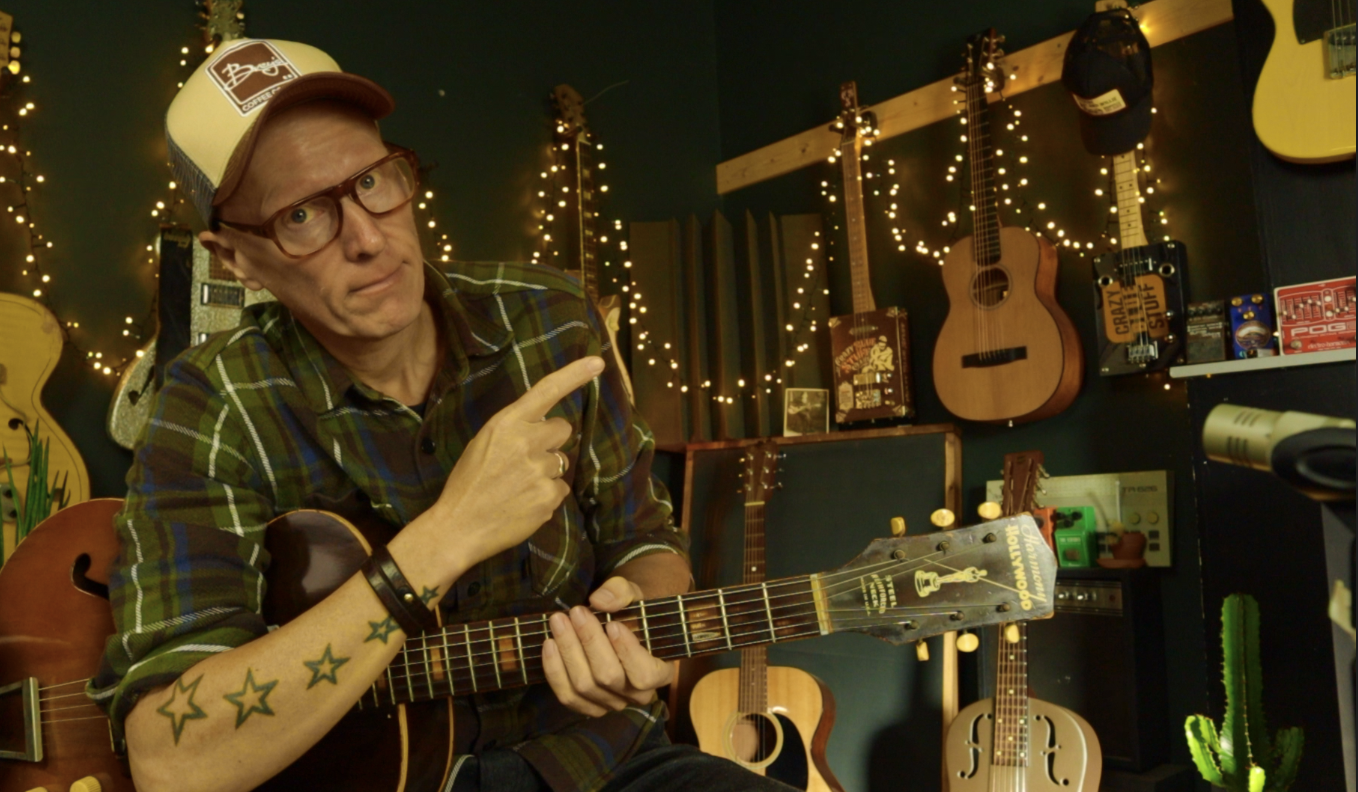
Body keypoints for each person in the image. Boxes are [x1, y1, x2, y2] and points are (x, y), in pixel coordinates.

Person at [89, 38, 794, 792]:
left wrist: (642, 627)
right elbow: (171, 759)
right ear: (234, 259)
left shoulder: (552, 321)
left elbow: (645, 542)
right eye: (301, 215)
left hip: (601, 763)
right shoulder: (210, 403)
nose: (368, 238)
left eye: (372, 181)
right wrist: (447, 535)